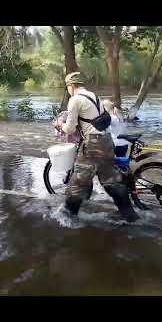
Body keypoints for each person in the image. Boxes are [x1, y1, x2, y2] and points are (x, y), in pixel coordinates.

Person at [54, 71, 139, 223]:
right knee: (111, 180)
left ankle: (67, 216)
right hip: (107, 142)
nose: (67, 90)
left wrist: (60, 124)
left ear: (71, 86)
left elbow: (70, 129)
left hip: (93, 144)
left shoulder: (75, 99)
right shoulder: (94, 96)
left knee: (79, 180)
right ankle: (130, 216)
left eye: (67, 87)